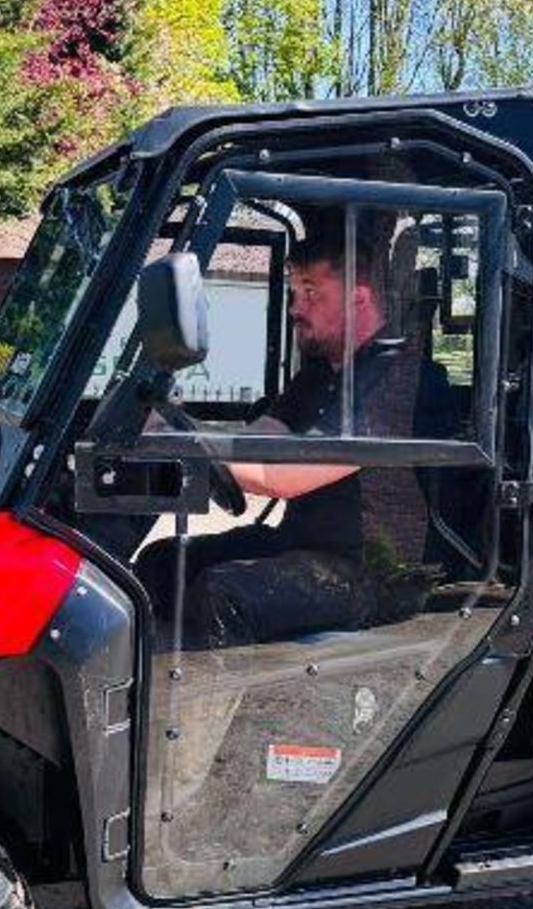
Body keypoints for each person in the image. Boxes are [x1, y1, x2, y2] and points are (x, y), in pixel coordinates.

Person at [135, 218, 458, 647]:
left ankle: (218, 712)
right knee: (163, 562)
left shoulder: (396, 379)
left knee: (225, 594)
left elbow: (281, 477)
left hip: (376, 573)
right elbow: (263, 435)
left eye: (310, 293)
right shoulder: (323, 373)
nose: (294, 308)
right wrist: (181, 426)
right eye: (294, 292)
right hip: (308, 546)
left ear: (358, 300)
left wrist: (184, 441)